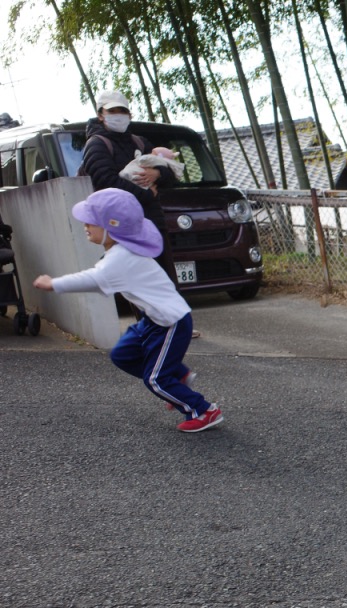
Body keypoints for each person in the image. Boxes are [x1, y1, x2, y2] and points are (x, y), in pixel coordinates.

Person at [31, 189, 223, 432]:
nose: (85, 225)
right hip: (153, 320)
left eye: (91, 221)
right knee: (122, 354)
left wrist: (54, 284)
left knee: (155, 380)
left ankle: (203, 410)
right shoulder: (121, 251)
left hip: (170, 322)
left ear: (112, 227)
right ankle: (176, 378)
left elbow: (93, 279)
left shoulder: (120, 258)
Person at [79, 90, 178, 282]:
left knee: (165, 284)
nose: (118, 115)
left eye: (122, 111)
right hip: (121, 229)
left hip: (152, 224)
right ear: (100, 115)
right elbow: (105, 182)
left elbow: (171, 174)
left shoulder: (140, 142)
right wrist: (147, 194)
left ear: (129, 114)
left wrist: (158, 173)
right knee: (135, 286)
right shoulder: (96, 145)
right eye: (112, 111)